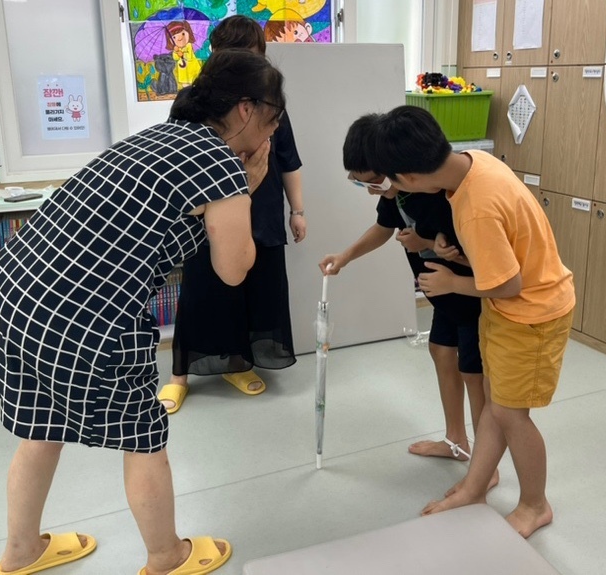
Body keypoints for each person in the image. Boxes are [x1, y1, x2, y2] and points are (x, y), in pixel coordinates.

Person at [0, 49, 285, 575]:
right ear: (246, 109)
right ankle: (167, 557)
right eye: (272, 119)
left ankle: (20, 551)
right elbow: (234, 268)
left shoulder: (160, 137)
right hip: (82, 314)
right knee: (143, 435)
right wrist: (249, 186)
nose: (272, 133)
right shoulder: (219, 160)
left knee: (41, 425)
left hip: (12, 290)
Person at [343, 106, 575, 538]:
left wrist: (450, 280)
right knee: (496, 407)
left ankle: (535, 504)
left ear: (408, 178)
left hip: (532, 313)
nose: (389, 191)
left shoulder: (475, 208)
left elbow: (508, 283)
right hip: (507, 311)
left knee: (511, 415)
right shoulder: (474, 164)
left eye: (390, 182)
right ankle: (474, 487)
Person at [320, 114, 494, 478]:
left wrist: (424, 241)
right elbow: (384, 227)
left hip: (470, 295)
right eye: (361, 184)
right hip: (442, 293)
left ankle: (486, 464)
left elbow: (475, 255)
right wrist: (346, 256)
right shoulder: (395, 194)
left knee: (474, 374)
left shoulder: (440, 194)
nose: (372, 190)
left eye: (375, 182)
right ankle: (456, 440)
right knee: (441, 352)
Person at [158, 15, 305, 414]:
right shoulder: (193, 104)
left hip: (263, 208)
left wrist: (298, 210)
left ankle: (238, 364)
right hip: (208, 209)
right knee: (202, 289)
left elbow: (290, 161)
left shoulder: (270, 105)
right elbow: (181, 166)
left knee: (252, 290)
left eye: (252, 55)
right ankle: (179, 374)